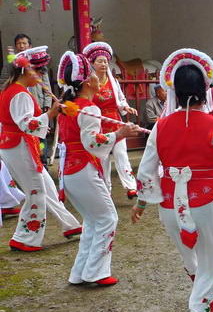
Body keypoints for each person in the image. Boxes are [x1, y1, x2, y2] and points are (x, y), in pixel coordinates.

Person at [132, 49, 213, 312]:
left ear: (172, 90)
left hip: (171, 204)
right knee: (210, 261)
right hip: (205, 201)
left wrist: (142, 202)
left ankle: (203, 298)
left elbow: (147, 170)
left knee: (193, 259)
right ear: (205, 91)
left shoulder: (161, 125)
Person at [56, 51, 139, 286]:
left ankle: (81, 272)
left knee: (93, 221)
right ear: (86, 82)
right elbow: (92, 143)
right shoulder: (88, 108)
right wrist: (119, 133)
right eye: (93, 73)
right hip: (83, 168)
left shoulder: (69, 107)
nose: (97, 77)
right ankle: (96, 272)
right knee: (107, 219)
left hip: (71, 171)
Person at [0, 47, 81, 251]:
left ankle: (70, 225)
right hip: (20, 146)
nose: (40, 75)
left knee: (47, 188)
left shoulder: (15, 91)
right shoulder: (20, 94)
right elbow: (27, 124)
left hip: (19, 146)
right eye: (38, 71)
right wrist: (51, 114)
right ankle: (24, 237)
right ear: (26, 71)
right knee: (35, 191)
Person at [82, 42, 138, 199]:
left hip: (115, 120)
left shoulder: (113, 81)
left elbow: (120, 98)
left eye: (106, 61)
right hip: (98, 123)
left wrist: (126, 107)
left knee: (122, 154)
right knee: (103, 158)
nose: (104, 64)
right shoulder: (89, 83)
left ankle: (131, 186)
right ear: (92, 63)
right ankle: (105, 189)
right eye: (99, 61)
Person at [14, 34, 53, 168]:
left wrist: (47, 106)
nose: (21, 46)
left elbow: (46, 88)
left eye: (24, 43)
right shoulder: (12, 68)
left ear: (30, 46)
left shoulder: (39, 65)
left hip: (39, 106)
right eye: (19, 43)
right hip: (23, 110)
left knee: (41, 137)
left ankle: (43, 163)